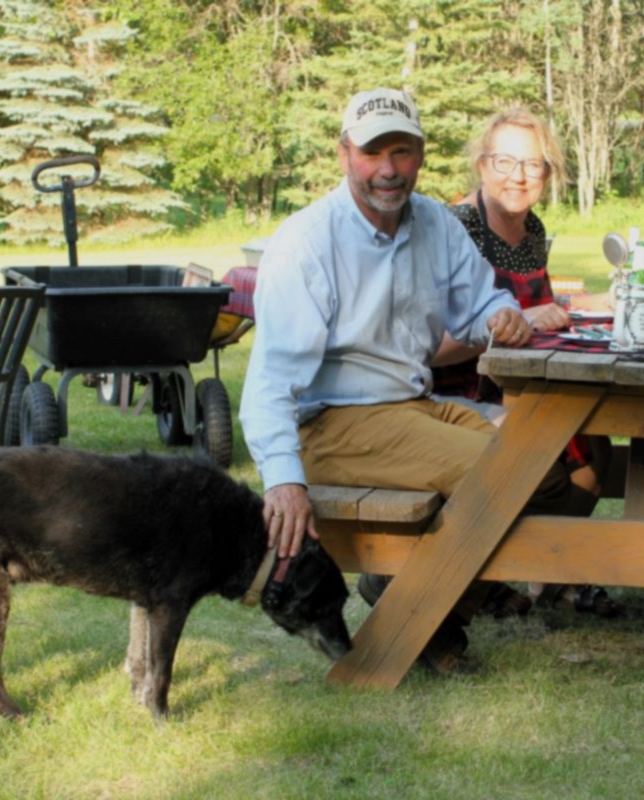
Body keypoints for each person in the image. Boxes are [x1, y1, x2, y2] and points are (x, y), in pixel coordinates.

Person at [239, 87, 592, 672]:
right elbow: (270, 380)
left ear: (421, 155)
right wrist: (282, 481)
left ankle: (416, 599)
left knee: (550, 470)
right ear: (343, 152)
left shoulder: (435, 222)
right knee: (507, 472)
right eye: (372, 153)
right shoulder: (307, 242)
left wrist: (496, 317)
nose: (387, 170)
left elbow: (479, 304)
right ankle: (424, 621)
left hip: (411, 404)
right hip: (330, 426)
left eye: (401, 153)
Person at [431, 107, 618, 617]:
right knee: (564, 467)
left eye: (532, 165)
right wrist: (515, 320)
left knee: (597, 450)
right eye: (505, 161)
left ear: (548, 174)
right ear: (481, 165)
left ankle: (545, 576)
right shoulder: (454, 227)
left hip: (523, 384)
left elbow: (540, 310)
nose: (518, 176)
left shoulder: (531, 228)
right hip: (459, 393)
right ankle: (481, 576)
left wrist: (582, 309)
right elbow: (429, 345)